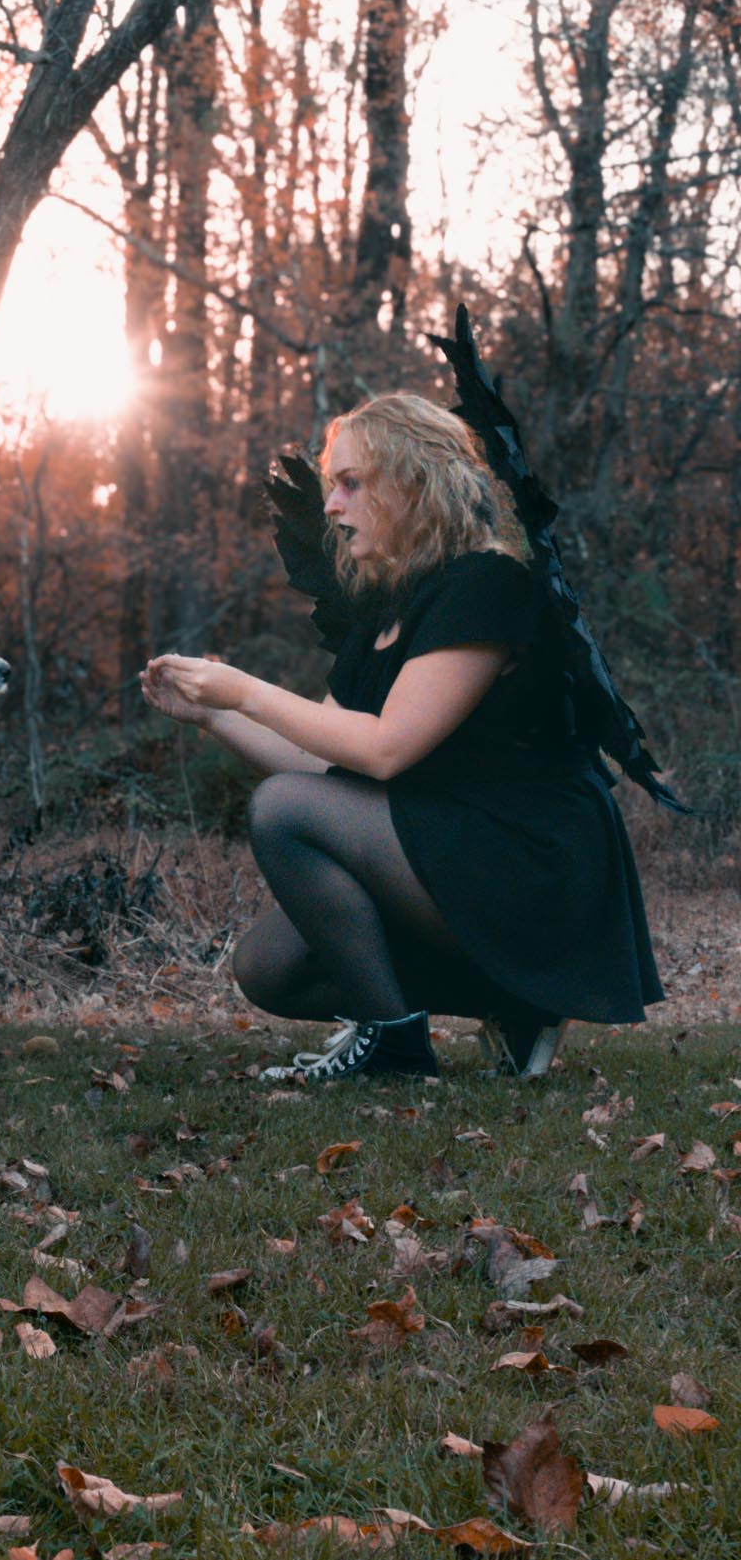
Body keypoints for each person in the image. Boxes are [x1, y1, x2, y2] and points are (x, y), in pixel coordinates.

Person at [141, 393, 664, 1082]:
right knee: (268, 968)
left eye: (351, 483)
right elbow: (317, 758)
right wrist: (216, 715)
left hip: (531, 860)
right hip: (447, 843)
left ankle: (394, 1044)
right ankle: (515, 1002)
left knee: (282, 807)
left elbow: (387, 748)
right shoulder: (390, 606)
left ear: (416, 483)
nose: (331, 506)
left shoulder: (489, 581)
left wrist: (247, 690)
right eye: (332, 486)